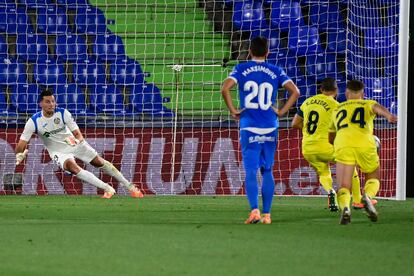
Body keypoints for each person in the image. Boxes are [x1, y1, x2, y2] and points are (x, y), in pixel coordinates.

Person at [221, 37, 300, 224]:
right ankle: (267, 215)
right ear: (267, 53)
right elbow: (296, 92)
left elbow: (225, 89)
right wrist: (281, 112)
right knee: (268, 170)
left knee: (250, 170)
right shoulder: (275, 70)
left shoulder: (241, 68)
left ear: (249, 52)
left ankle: (254, 210)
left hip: (249, 126)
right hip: (270, 126)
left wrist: (233, 110)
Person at [15, 89, 144, 199]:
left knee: (99, 163)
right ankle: (107, 188)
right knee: (73, 168)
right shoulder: (33, 122)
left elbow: (77, 133)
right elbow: (21, 145)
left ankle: (130, 186)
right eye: (48, 102)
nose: (51, 104)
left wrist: (79, 141)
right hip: (58, 152)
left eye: (53, 101)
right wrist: (19, 154)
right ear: (41, 103)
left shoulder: (63, 113)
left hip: (74, 143)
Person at [291, 78, 364, 212]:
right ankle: (358, 201)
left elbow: (294, 123)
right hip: (327, 146)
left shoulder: (307, 102)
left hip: (308, 148)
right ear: (336, 91)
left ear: (321, 89)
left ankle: (330, 191)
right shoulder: (336, 106)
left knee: (323, 171)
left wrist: (310, 133)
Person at [331, 80, 397, 224]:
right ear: (363, 94)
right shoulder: (367, 103)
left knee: (343, 185)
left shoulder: (337, 109)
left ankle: (345, 209)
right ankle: (367, 196)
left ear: (347, 93)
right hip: (365, 144)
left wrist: (336, 145)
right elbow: (377, 108)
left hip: (343, 144)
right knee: (373, 175)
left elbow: (331, 133)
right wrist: (389, 116)